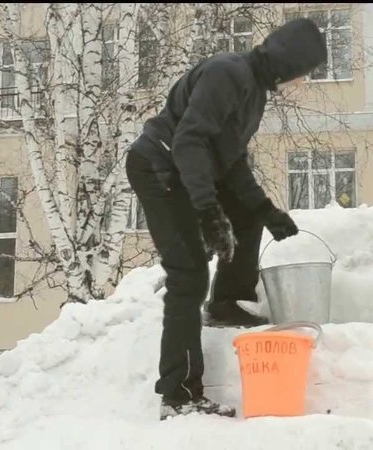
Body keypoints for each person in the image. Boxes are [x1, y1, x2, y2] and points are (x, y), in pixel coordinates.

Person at [125, 17, 328, 420]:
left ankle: (226, 302)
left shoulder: (254, 90)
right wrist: (207, 209)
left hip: (186, 167)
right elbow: (189, 140)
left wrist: (264, 209)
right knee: (189, 275)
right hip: (160, 168)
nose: (301, 83)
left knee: (246, 215)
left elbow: (231, 161)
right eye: (304, 74)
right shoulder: (227, 73)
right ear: (290, 63)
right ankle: (178, 395)